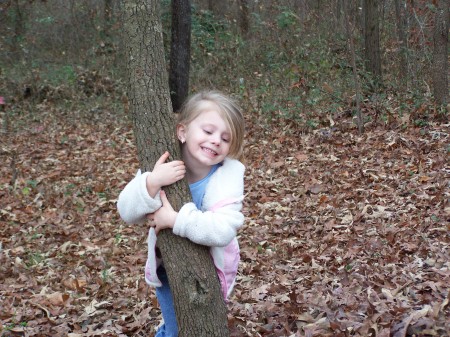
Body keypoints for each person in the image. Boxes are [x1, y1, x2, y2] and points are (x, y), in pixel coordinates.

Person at [117, 90, 246, 337]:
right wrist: (152, 182)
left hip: (211, 271)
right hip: (169, 268)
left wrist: (175, 219)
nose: (216, 140)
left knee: (200, 328)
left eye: (225, 138)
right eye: (208, 131)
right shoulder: (160, 165)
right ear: (182, 131)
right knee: (178, 330)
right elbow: (126, 211)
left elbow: (222, 230)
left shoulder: (227, 177)